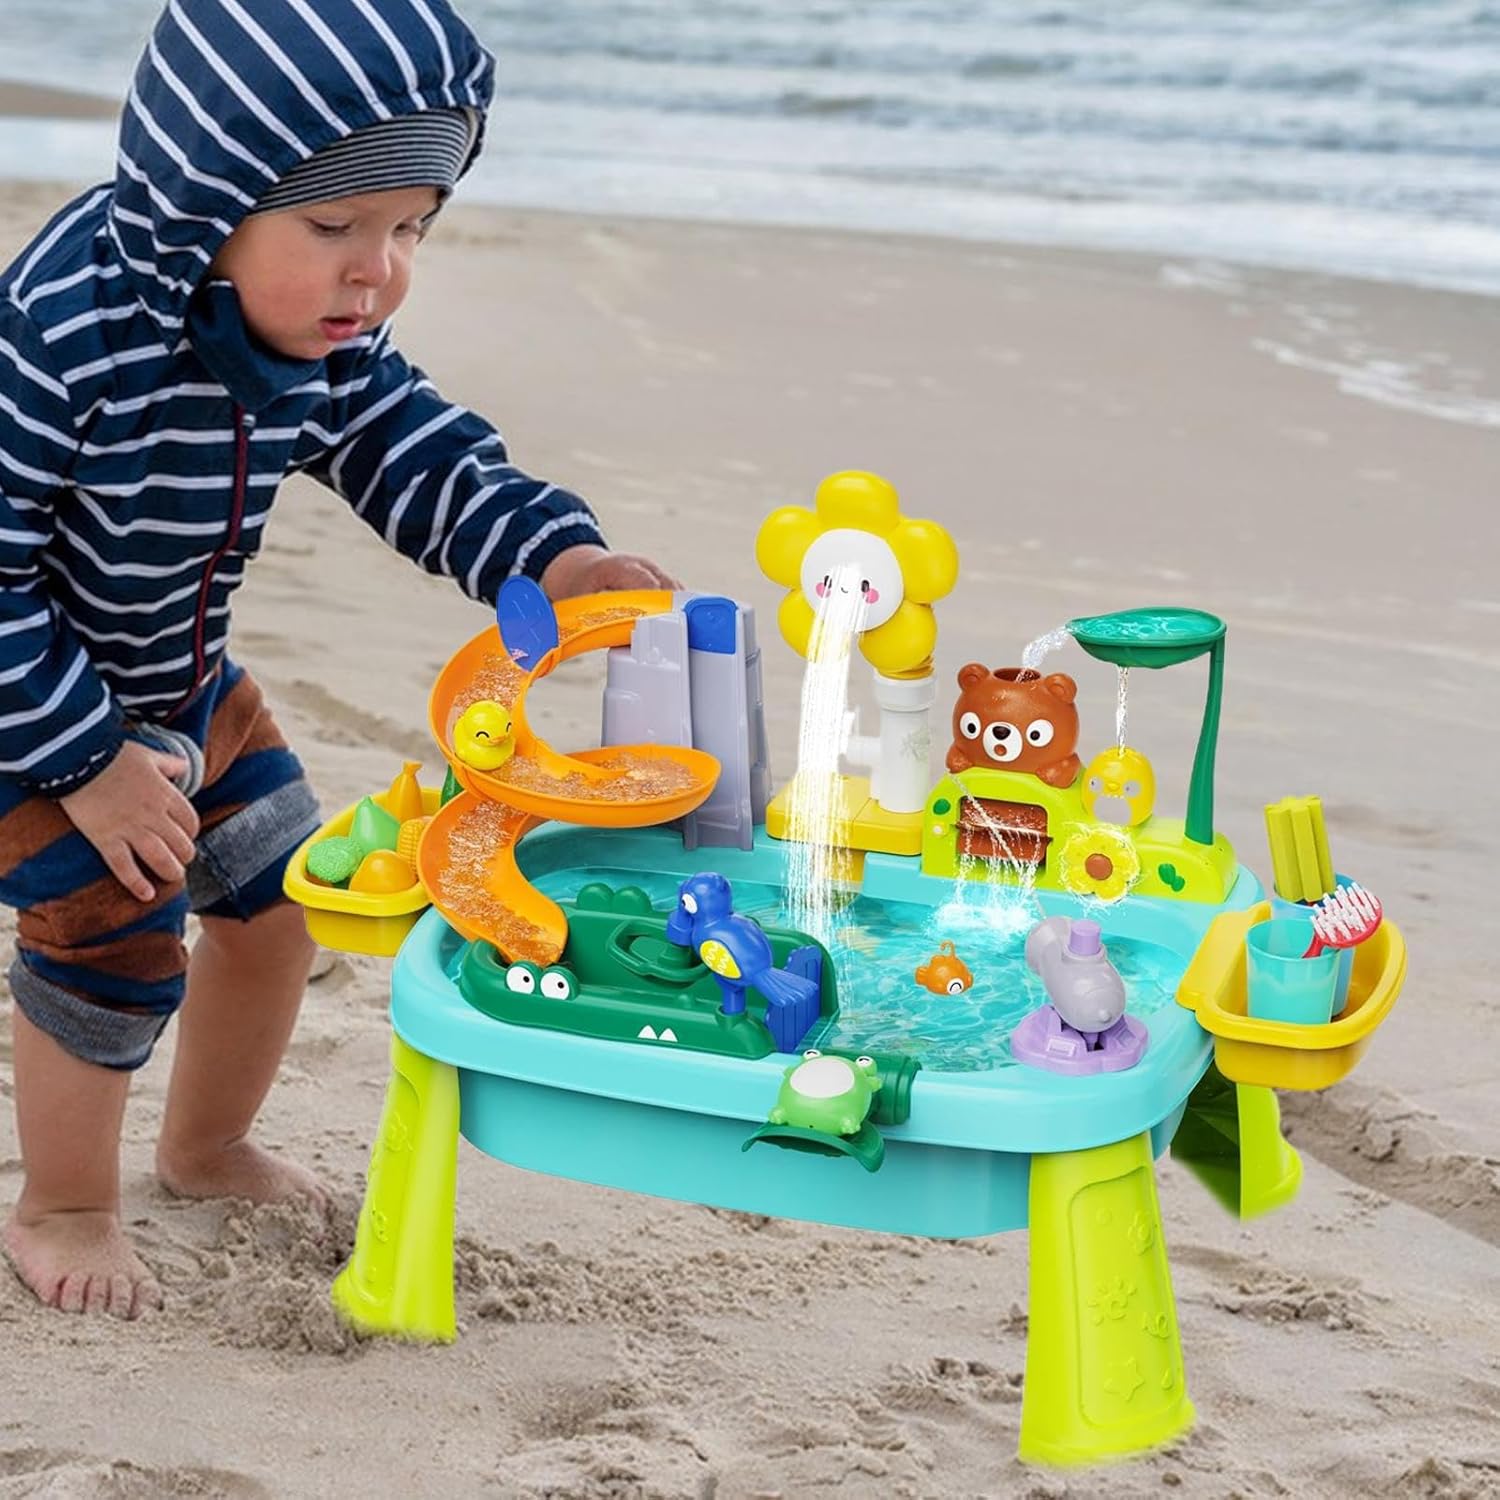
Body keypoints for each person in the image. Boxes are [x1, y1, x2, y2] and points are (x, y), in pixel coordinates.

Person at [0, 0, 675, 1320]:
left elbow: (410, 447)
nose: (378, 271)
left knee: (281, 902)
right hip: (35, 700)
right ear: (205, 203)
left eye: (412, 227)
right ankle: (64, 1203)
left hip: (183, 675)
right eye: (333, 227)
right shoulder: (61, 332)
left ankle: (205, 1148)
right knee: (114, 939)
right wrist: (86, 763)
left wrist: (550, 557)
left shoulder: (309, 335)